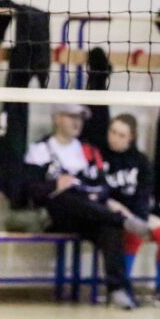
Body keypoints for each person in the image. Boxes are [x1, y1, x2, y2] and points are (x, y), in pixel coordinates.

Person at [23, 104, 150, 310]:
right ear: (57, 118)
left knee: (109, 228)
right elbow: (29, 191)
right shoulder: (40, 150)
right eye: (71, 116)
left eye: (80, 118)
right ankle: (123, 220)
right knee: (66, 198)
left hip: (89, 214)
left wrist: (94, 192)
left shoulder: (88, 150)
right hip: (56, 215)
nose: (77, 122)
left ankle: (118, 290)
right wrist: (55, 185)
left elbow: (103, 186)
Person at [102, 114, 160, 301]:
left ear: (131, 137)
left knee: (154, 230)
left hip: (134, 212)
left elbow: (144, 195)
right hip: (107, 213)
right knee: (132, 231)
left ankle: (158, 289)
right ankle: (121, 287)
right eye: (113, 132)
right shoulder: (99, 155)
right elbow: (96, 190)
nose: (115, 138)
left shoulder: (141, 161)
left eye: (121, 135)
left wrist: (139, 218)